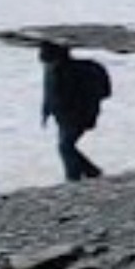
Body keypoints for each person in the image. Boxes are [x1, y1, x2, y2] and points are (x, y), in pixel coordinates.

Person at [36, 40, 109, 182]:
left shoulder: (72, 72)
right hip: (64, 116)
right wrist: (46, 112)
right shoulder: (53, 70)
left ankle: (75, 177)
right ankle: (90, 172)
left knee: (65, 147)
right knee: (66, 146)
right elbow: (49, 94)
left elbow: (72, 96)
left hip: (76, 116)